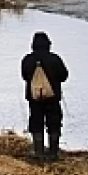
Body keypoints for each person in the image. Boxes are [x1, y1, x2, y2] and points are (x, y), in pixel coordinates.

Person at [22, 31, 69, 161]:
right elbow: (64, 76)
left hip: (34, 99)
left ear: (33, 45)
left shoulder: (27, 59)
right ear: (48, 44)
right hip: (52, 98)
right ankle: (53, 152)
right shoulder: (55, 59)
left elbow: (24, 76)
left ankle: (38, 152)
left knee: (36, 122)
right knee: (54, 122)